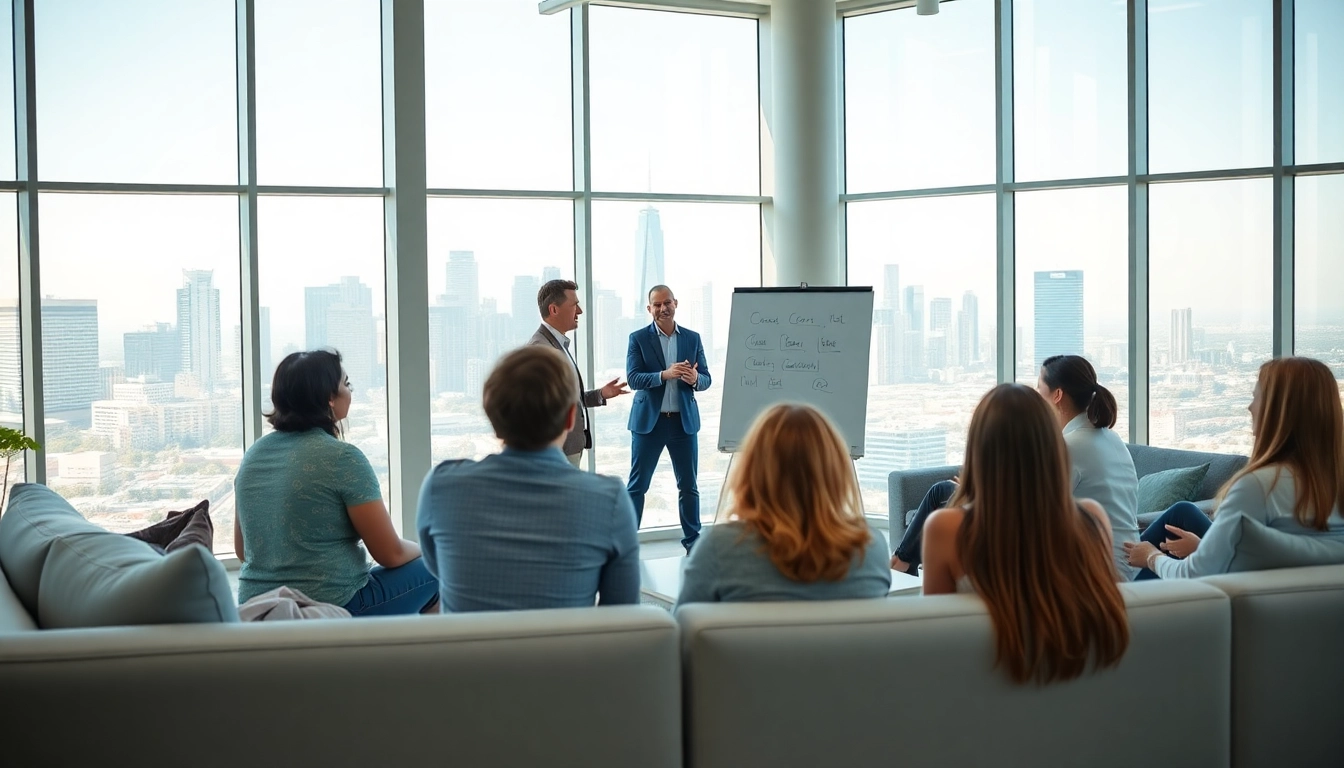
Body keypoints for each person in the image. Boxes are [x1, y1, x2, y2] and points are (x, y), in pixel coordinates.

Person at [922, 383, 1129, 684]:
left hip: (980, 699)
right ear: (1052, 446)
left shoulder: (946, 528)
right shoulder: (1092, 518)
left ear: (979, 449)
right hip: (1075, 695)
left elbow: (933, 642)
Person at [417, 345, 640, 612]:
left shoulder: (441, 487)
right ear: (571, 418)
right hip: (565, 654)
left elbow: (441, 569)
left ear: (491, 413)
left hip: (468, 654)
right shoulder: (609, 500)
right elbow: (621, 618)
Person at [892, 355, 1140, 582]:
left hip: (1095, 568)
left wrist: (977, 493)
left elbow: (1023, 510)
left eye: (1039, 389)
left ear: (1057, 395)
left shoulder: (1069, 446)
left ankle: (901, 566)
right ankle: (902, 564)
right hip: (1125, 564)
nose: (1036, 396)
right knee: (945, 491)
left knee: (941, 492)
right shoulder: (1109, 438)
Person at [234, 350, 438, 617]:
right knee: (440, 567)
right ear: (329, 397)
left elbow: (242, 551)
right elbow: (390, 553)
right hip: (332, 605)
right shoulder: (343, 458)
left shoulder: (254, 455)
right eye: (346, 383)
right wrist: (429, 550)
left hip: (257, 605)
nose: (349, 391)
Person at [1124, 356, 1344, 579]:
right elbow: (1291, 555)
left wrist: (1151, 557)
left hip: (1212, 607)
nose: (1250, 408)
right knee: (1184, 511)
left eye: (1255, 397)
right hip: (1302, 605)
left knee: (1115, 586)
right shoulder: (1333, 484)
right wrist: (1205, 550)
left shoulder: (1258, 487)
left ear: (1277, 411)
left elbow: (1191, 575)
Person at [676, 404, 891, 606]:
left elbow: (683, 637)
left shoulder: (718, 549)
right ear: (835, 472)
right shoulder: (871, 549)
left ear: (751, 472)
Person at [625, 284, 712, 553]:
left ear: (676, 303)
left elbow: (706, 379)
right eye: (657, 304)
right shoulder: (638, 338)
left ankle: (693, 545)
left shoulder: (692, 338)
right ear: (649, 308)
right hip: (649, 424)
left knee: (689, 487)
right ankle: (626, 548)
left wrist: (696, 379)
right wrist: (665, 374)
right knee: (637, 487)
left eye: (668, 303)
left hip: (683, 423)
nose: (663, 308)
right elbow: (633, 378)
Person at [527, 279, 630, 467]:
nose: (580, 311)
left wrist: (600, 394)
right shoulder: (542, 350)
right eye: (574, 305)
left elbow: (567, 401)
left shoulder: (558, 345)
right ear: (554, 310)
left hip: (568, 449)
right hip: (557, 454)